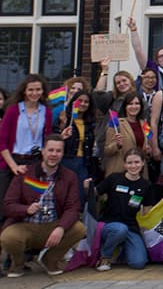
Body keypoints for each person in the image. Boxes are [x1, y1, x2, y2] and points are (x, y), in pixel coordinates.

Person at [0, 134, 85, 278]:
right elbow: (8, 205)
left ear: (62, 153)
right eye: (50, 150)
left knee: (79, 229)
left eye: (58, 151)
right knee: (8, 237)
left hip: (52, 225)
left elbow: (73, 208)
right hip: (26, 225)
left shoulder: (69, 176)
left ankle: (50, 260)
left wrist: (61, 227)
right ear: (43, 151)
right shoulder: (25, 173)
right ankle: (18, 263)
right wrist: (26, 209)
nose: (54, 154)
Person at [90, 148, 150, 271]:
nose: (133, 166)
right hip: (109, 225)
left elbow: (148, 211)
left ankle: (123, 251)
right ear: (124, 164)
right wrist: (87, 187)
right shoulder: (114, 178)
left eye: (137, 162)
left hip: (131, 228)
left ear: (143, 163)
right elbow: (95, 193)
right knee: (120, 230)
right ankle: (105, 257)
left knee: (138, 263)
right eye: (129, 163)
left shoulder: (146, 185)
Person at [0, 74, 52, 205]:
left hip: (34, 161)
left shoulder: (46, 112)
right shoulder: (13, 110)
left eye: (38, 89)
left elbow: (47, 139)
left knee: (28, 201)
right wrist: (14, 167)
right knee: (5, 201)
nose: (34, 93)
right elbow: (2, 142)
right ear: (24, 91)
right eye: (31, 90)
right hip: (12, 161)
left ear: (43, 91)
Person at [56, 91, 96, 197]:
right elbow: (53, 140)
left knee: (79, 194)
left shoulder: (90, 123)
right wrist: (61, 131)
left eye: (86, 102)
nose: (82, 104)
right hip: (66, 161)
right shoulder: (64, 120)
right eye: (80, 101)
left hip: (83, 162)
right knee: (63, 193)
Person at [101, 92, 150, 180]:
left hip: (139, 173)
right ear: (125, 106)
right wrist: (117, 145)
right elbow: (107, 150)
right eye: (130, 104)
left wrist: (148, 151)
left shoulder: (145, 124)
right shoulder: (115, 122)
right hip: (120, 171)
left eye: (137, 103)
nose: (134, 106)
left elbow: (148, 149)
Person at [128, 16, 163, 89]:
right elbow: (138, 51)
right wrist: (133, 30)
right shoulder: (152, 68)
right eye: (161, 56)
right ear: (157, 60)